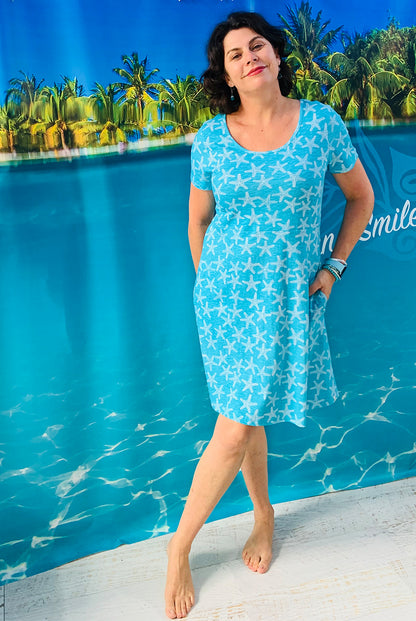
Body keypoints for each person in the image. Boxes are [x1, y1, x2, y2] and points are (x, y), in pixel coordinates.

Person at [165, 11, 374, 619]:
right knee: (240, 422)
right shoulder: (211, 138)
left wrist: (333, 268)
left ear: (277, 56)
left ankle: (248, 521)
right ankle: (190, 544)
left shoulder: (321, 124)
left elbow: (361, 198)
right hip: (224, 303)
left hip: (285, 302)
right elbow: (198, 220)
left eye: (257, 46)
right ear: (227, 75)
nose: (249, 57)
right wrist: (207, 286)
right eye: (234, 55)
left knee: (241, 420)